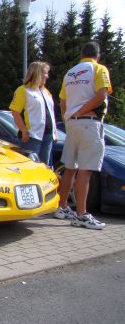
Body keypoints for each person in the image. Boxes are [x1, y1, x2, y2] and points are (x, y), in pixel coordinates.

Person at [54, 41, 112, 230]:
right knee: (85, 171)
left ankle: (61, 207)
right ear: (98, 55)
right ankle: (81, 214)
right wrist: (82, 111)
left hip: (72, 125)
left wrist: (70, 116)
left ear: (81, 54)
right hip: (89, 123)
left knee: (70, 168)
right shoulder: (99, 68)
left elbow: (63, 102)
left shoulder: (70, 73)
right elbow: (102, 94)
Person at [9, 61, 57, 166]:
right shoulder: (23, 90)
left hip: (48, 135)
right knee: (30, 166)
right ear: (37, 73)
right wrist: (24, 130)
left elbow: (51, 113)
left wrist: (55, 132)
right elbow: (15, 112)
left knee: (45, 167)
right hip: (33, 136)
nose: (47, 76)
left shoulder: (46, 92)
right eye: (45, 73)